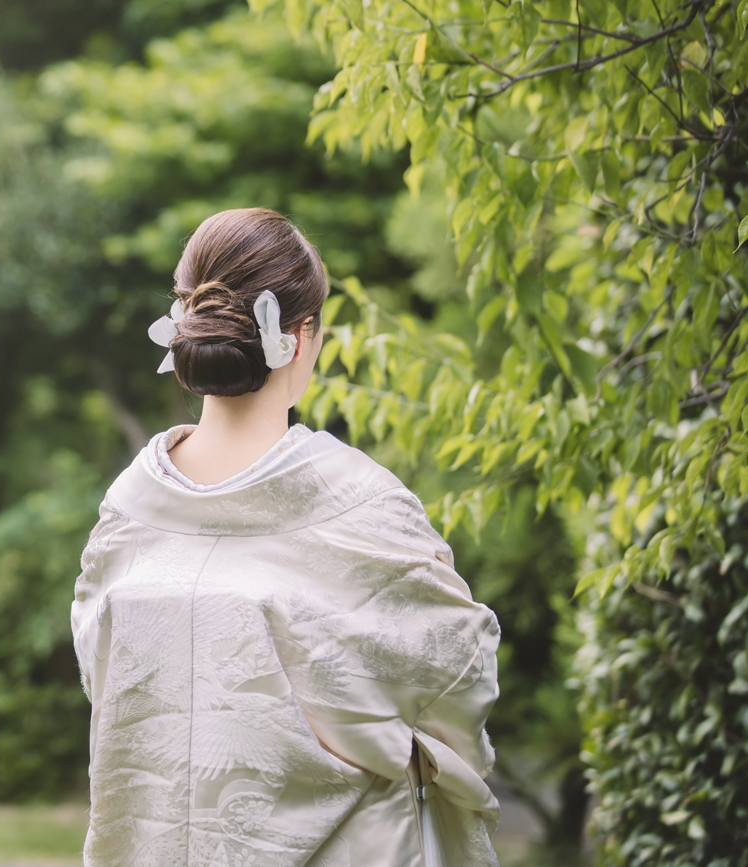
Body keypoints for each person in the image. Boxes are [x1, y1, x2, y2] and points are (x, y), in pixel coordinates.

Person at [71, 208, 501, 867]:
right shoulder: (360, 506)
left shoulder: (128, 515)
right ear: (300, 337)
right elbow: (459, 677)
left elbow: (105, 683)